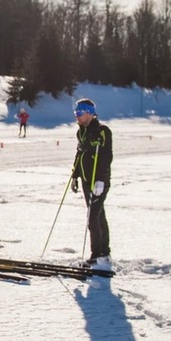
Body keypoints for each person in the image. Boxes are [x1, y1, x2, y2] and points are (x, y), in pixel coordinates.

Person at [70, 98, 113, 268]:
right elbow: (79, 154)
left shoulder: (103, 131)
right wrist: (75, 175)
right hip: (86, 181)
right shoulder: (81, 132)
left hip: (99, 181)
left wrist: (101, 180)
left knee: (93, 217)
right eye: (76, 114)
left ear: (90, 113)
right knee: (98, 215)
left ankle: (97, 255)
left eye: (80, 114)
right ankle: (104, 253)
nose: (77, 117)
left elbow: (106, 157)